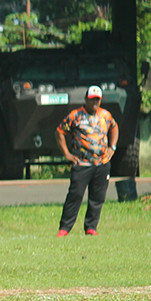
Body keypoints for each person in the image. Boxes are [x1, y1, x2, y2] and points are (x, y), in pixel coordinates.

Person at [55, 85, 119, 237]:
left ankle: (91, 227)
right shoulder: (75, 115)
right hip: (82, 163)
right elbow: (59, 132)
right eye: (92, 100)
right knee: (75, 195)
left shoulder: (105, 115)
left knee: (97, 197)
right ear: (86, 99)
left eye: (97, 100)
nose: (95, 103)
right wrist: (66, 153)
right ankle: (65, 228)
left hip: (102, 163)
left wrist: (113, 147)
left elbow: (115, 128)